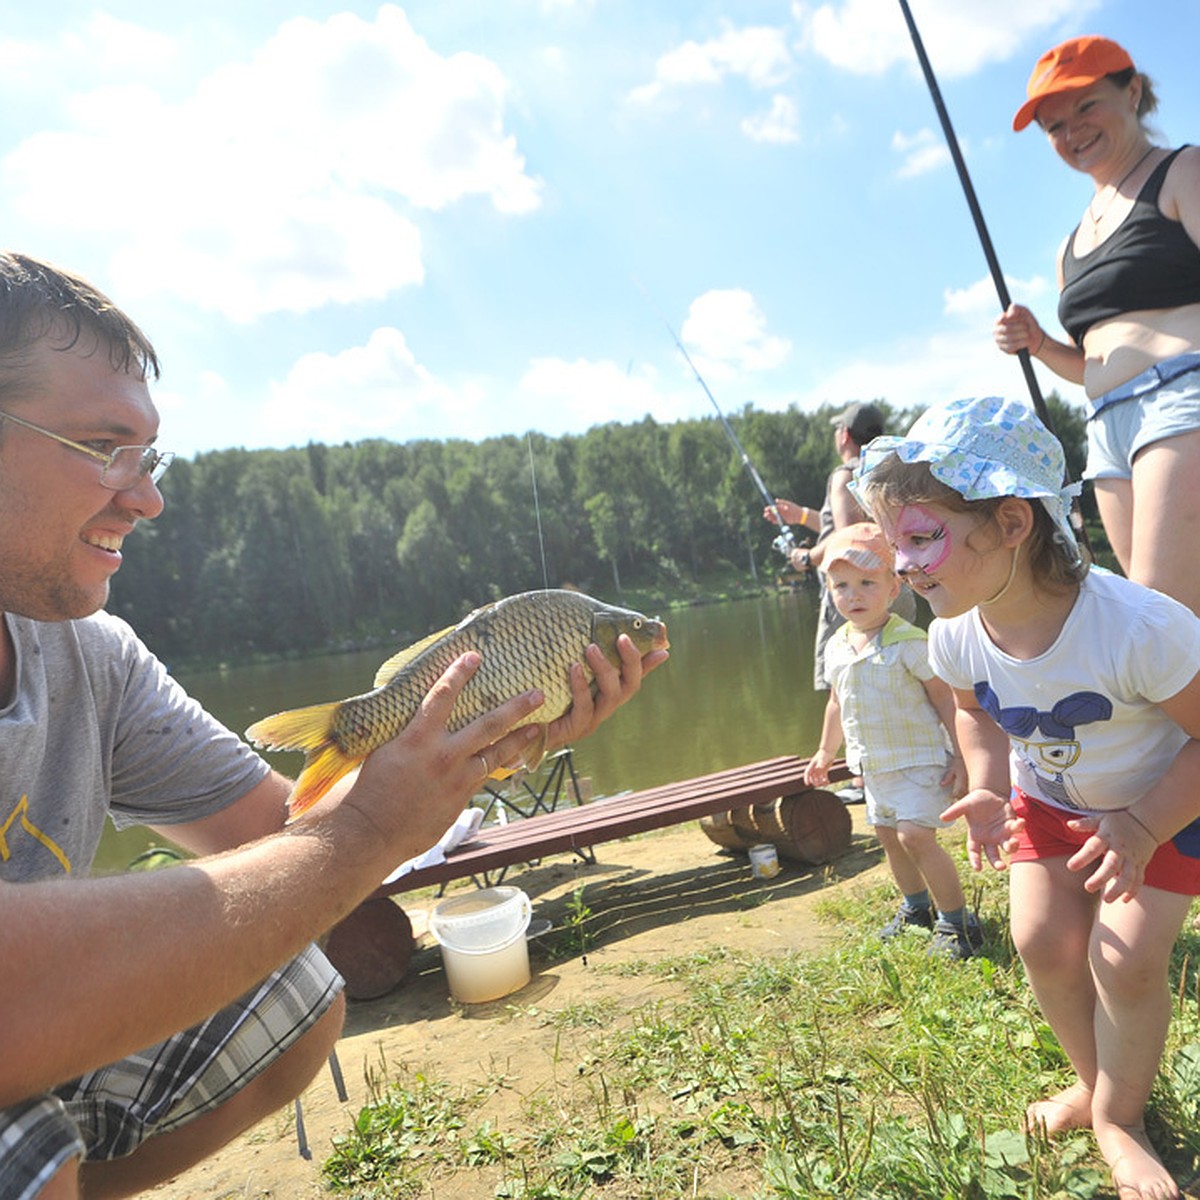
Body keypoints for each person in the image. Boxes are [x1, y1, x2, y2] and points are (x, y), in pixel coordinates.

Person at [0, 251, 668, 1200]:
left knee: (297, 998)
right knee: (20, 1144)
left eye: (147, 458)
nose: (144, 497)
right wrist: (360, 833)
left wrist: (467, 751)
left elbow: (286, 838)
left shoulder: (89, 656)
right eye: (99, 446)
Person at [855, 394, 1200, 1200]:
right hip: (1047, 804)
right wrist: (984, 786)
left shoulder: (1140, 629)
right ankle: (1094, 1085)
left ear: (1013, 524)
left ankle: (1123, 1119)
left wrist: (1144, 824)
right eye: (894, 542)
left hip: (1162, 805)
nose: (902, 564)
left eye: (921, 538)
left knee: (1128, 959)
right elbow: (976, 713)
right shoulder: (954, 632)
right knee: (1041, 940)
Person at [995, 35, 1200, 618]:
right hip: (1107, 427)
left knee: (1161, 622)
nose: (1072, 131)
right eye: (1054, 125)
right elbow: (1092, 364)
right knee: (1156, 618)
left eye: (1086, 106)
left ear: (1132, 91)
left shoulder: (1184, 169)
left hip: (1182, 402)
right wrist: (1038, 345)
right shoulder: (1069, 247)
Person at [800, 523, 976, 957]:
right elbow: (837, 703)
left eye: (866, 583)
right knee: (888, 835)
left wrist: (962, 757)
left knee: (916, 836)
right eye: (841, 586)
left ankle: (956, 921)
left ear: (894, 587)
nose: (853, 595)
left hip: (919, 761)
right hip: (873, 766)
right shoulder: (838, 646)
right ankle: (917, 908)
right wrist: (826, 750)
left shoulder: (910, 643)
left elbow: (947, 701)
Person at [765, 402, 917, 694]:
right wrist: (803, 516)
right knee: (900, 684)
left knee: (847, 690)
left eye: (837, 429)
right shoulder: (887, 472)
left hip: (855, 594)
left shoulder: (844, 474)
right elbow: (868, 529)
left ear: (844, 435)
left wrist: (807, 557)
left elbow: (851, 537)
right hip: (893, 589)